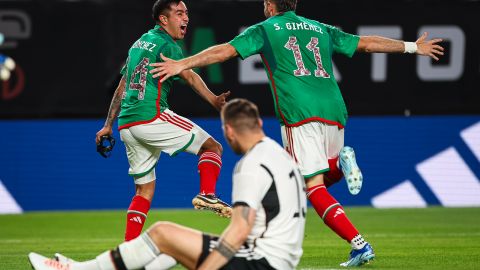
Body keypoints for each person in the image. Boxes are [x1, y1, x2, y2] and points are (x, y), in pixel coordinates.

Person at [148, 0, 445, 266]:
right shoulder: (319, 28)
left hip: (300, 114)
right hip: (334, 109)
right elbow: (365, 43)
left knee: (313, 187)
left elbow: (224, 51)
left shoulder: (265, 29)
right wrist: (411, 46)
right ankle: (340, 164)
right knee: (308, 184)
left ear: (269, 5)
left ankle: (360, 244)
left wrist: (182, 63)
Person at [29, 98, 308, 270]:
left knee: (162, 232)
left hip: (258, 262)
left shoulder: (250, 166)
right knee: (167, 251)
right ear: (258, 122)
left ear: (228, 130)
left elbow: (238, 232)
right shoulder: (280, 155)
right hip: (278, 259)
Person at [95, 0, 232, 243]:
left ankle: (128, 249)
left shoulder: (139, 44)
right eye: (179, 13)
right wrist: (213, 99)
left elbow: (122, 85)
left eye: (186, 13)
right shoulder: (167, 45)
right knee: (213, 147)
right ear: (163, 19)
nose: (186, 18)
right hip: (151, 116)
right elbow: (189, 75)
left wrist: (108, 124)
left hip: (127, 124)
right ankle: (207, 194)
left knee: (143, 190)